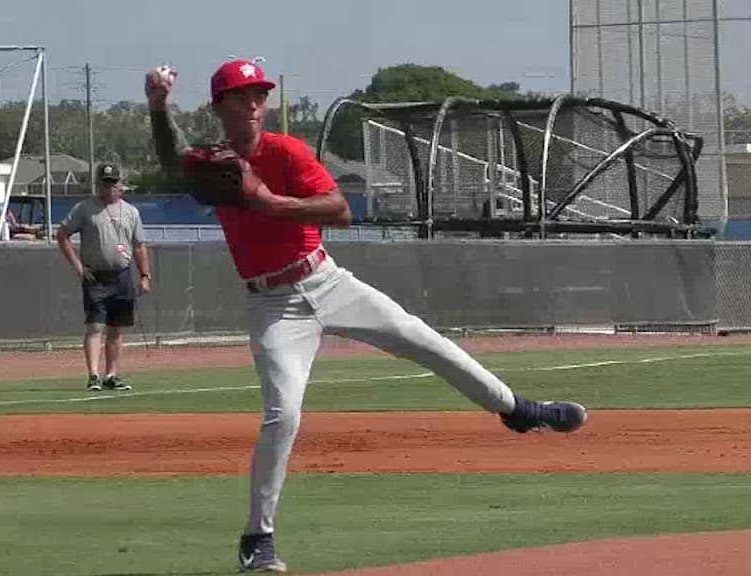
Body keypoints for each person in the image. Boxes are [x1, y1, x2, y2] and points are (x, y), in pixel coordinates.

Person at [145, 59, 588, 573]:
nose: (253, 103)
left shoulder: (285, 150)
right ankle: (257, 538)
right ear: (220, 105)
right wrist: (158, 106)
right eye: (242, 95)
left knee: (423, 339)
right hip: (273, 304)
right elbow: (173, 161)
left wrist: (268, 202)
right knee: (283, 413)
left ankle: (518, 409)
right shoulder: (216, 163)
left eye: (259, 94)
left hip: (326, 280)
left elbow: (339, 209)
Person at [57, 162, 151, 392]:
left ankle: (112, 375)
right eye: (105, 184)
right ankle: (93, 376)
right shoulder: (85, 208)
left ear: (120, 185)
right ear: (98, 185)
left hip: (122, 276)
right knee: (94, 327)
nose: (109, 188)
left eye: (113, 183)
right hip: (95, 276)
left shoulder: (131, 212)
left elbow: (139, 246)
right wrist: (79, 267)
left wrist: (145, 275)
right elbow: (62, 235)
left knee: (116, 329)